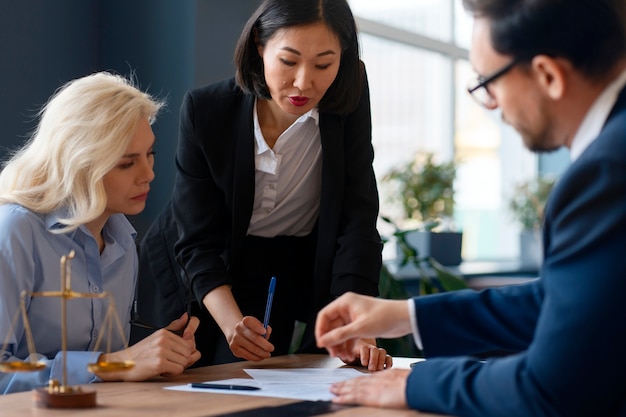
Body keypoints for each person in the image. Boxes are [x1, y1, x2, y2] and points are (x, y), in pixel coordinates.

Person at [315, 0, 626, 415]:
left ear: (548, 75)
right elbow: (561, 301)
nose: (492, 105)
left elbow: (551, 388)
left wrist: (416, 382)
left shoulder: (605, 172)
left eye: (488, 82)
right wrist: (403, 314)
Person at [135, 0, 391, 371]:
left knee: (266, 380)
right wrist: (231, 323)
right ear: (260, 44)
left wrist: (360, 324)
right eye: (288, 61)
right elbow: (197, 240)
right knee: (179, 381)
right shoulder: (207, 111)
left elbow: (357, 220)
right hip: (193, 264)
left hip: (276, 265)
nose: (305, 82)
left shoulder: (345, 102)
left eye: (324, 64)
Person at [0, 72, 201, 395]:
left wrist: (156, 356)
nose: (148, 174)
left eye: (149, 154)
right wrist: (115, 364)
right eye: (126, 163)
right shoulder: (15, 230)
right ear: (79, 164)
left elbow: (110, 370)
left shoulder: (122, 241)